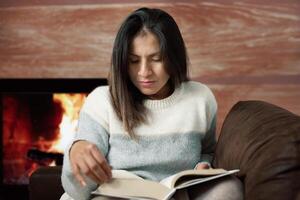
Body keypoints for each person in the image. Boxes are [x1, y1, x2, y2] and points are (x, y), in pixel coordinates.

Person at [61, 7, 243, 200]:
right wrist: (76, 153)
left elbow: (207, 151)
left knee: (228, 188)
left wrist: (203, 165)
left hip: (178, 195)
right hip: (118, 196)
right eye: (133, 61)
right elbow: (79, 192)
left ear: (174, 58)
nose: (144, 72)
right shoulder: (101, 101)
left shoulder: (200, 98)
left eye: (156, 59)